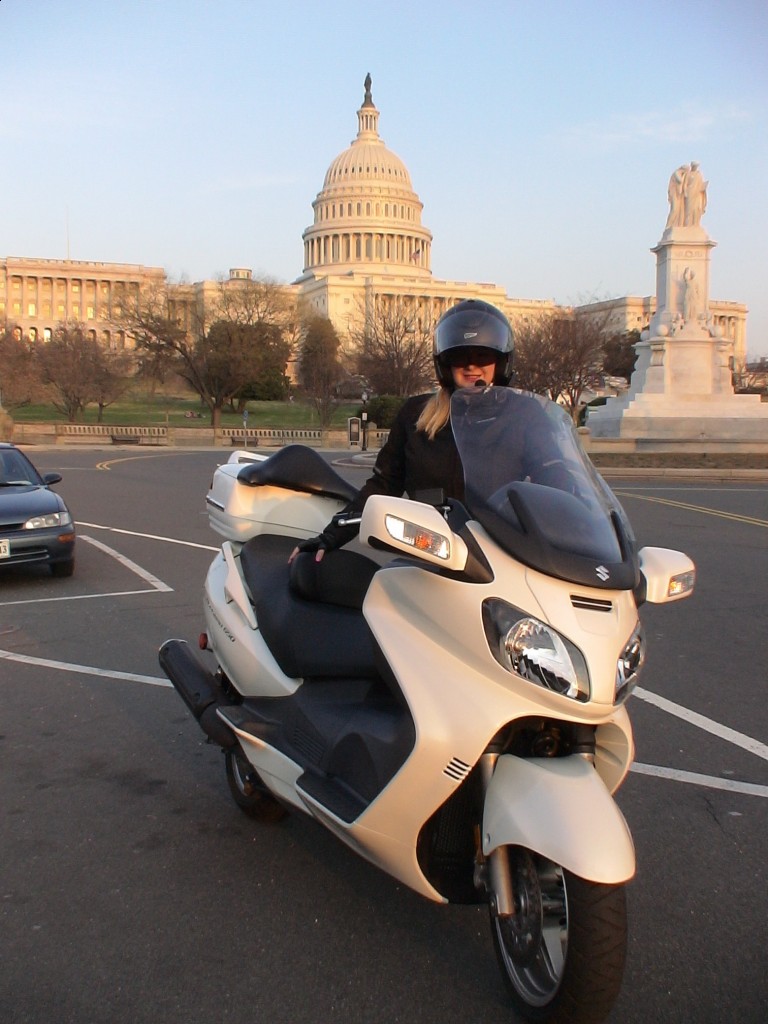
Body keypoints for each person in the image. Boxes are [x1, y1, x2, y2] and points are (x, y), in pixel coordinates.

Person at [290, 298, 557, 564]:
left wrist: (586, 527)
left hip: (502, 554)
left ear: (501, 362)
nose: (471, 366)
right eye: (459, 356)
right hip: (429, 553)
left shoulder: (525, 416)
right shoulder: (415, 415)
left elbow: (558, 476)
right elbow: (384, 485)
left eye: (483, 355)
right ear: (445, 363)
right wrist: (331, 536)